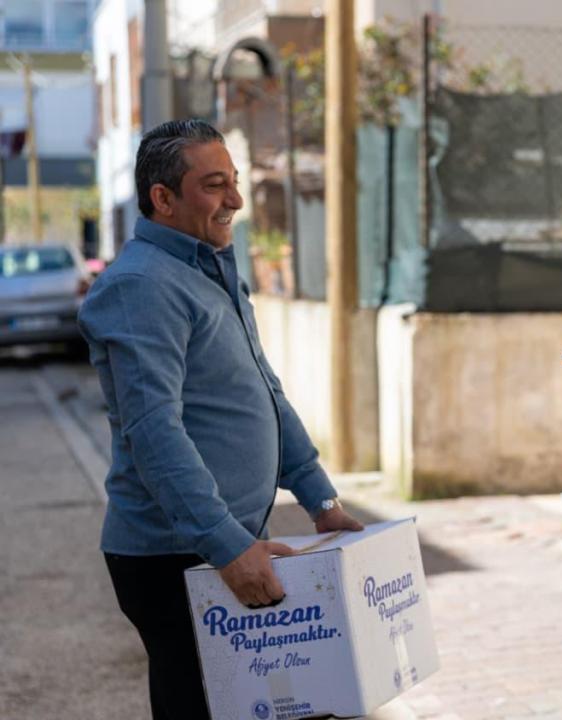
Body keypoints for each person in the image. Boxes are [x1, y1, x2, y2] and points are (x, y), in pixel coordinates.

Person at [78, 119, 364, 720]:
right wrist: (229, 548)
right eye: (214, 185)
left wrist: (320, 498)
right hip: (177, 557)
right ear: (163, 198)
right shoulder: (140, 286)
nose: (235, 199)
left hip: (215, 545)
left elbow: (265, 392)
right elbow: (154, 432)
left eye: (233, 181)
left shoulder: (210, 268)